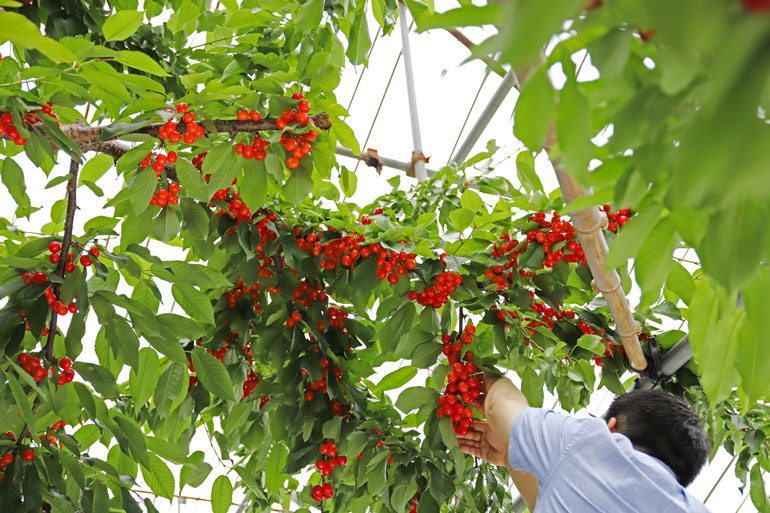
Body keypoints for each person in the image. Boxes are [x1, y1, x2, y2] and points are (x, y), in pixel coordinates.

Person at [457, 373, 711, 512]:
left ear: (610, 427)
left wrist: (493, 378)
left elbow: (498, 407)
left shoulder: (593, 444)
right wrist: (513, 455)